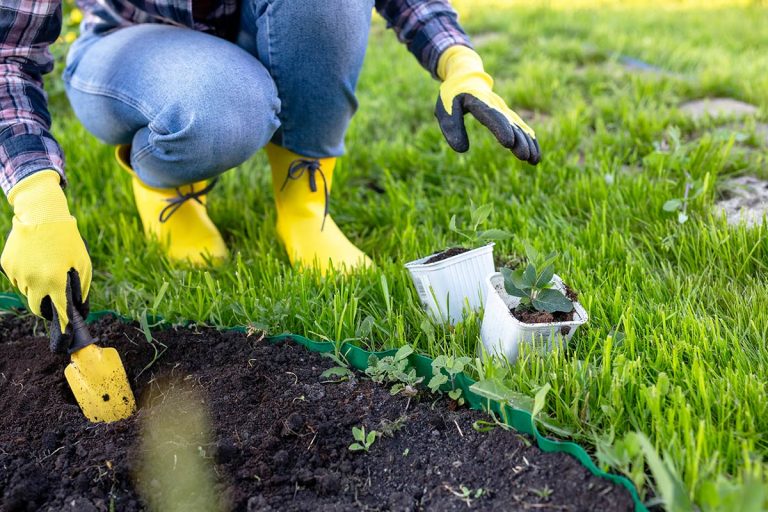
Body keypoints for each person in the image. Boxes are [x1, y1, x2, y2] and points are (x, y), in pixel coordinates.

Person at [0, 0, 540, 350]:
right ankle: (166, 185)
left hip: (258, 26)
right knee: (221, 104)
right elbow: (10, 52)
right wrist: (37, 198)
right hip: (132, 46)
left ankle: (305, 204)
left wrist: (458, 63)